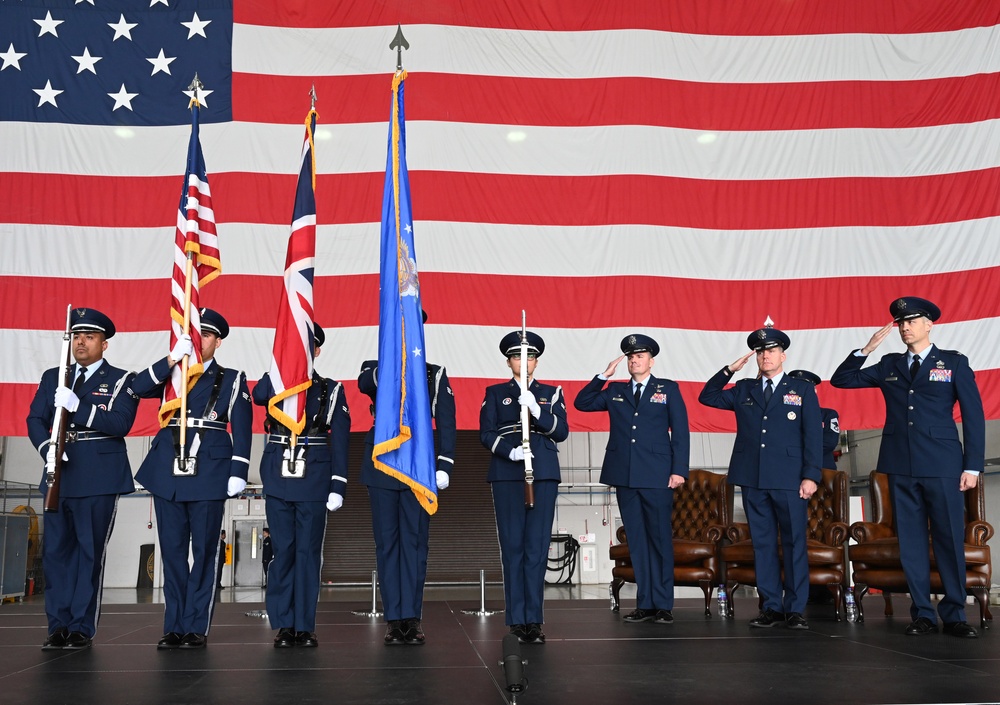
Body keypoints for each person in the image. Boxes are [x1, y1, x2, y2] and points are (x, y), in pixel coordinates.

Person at [830, 296, 984, 638]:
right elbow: (842, 379)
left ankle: (955, 613)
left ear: (929, 324)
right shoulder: (889, 365)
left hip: (943, 465)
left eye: (911, 321)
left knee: (948, 540)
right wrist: (866, 348)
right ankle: (923, 614)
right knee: (911, 543)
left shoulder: (954, 363)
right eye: (900, 323)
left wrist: (972, 465)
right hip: (900, 465)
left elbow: (973, 417)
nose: (904, 327)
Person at [133, 308, 252, 650]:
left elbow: (242, 431)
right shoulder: (172, 374)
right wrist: (170, 359)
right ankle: (174, 625)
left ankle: (196, 625)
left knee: (204, 553)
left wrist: (238, 470)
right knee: (171, 553)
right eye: (196, 335)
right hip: (168, 470)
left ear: (218, 341)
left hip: (209, 473)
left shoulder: (231, 379)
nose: (202, 342)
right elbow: (139, 388)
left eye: (208, 336)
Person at [27, 308, 140, 650]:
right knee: (57, 555)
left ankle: (80, 626)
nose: (81, 342)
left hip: (98, 477)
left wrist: (80, 407)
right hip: (59, 473)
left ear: (104, 345)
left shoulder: (122, 379)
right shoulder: (54, 376)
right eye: (77, 336)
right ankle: (57, 625)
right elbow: (35, 418)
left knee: (89, 554)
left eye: (90, 337)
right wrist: (47, 446)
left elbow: (121, 424)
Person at [699, 325, 821, 630]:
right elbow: (707, 396)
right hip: (753, 477)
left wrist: (811, 476)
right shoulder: (744, 390)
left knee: (794, 544)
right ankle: (770, 607)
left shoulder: (801, 389)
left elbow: (813, 437)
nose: (765, 356)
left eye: (771, 351)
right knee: (763, 544)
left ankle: (794, 609)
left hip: (791, 479)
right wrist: (729, 369)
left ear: (783, 355)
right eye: (760, 352)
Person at [574, 334, 689, 625]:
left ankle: (663, 604)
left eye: (639, 356)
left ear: (651, 361)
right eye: (630, 357)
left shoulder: (667, 390)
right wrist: (602, 376)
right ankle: (645, 604)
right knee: (637, 541)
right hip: (625, 475)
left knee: (660, 540)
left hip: (658, 475)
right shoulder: (615, 391)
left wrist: (679, 470)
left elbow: (682, 432)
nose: (633, 360)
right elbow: (582, 403)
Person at [358, 312, 456, 645]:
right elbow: (365, 384)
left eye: (409, 324)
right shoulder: (376, 367)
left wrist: (444, 463)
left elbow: (446, 420)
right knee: (387, 546)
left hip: (417, 466)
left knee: (414, 546)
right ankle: (393, 617)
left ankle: (411, 618)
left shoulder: (432, 372)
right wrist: (393, 358)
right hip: (383, 466)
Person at [252, 324, 350, 648]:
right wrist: (280, 363)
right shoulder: (276, 383)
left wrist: (338, 484)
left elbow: (341, 440)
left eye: (307, 347)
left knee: (308, 554)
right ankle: (284, 624)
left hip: (314, 477)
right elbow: (259, 395)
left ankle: (304, 625)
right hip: (279, 474)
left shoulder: (330, 390)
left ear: (317, 351)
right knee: (283, 552)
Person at [480, 331, 568, 644]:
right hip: (507, 472)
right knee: (513, 548)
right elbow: (486, 433)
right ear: (509, 361)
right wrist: (510, 451)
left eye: (529, 356)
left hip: (542, 472)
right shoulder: (494, 393)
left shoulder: (551, 392)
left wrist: (537, 410)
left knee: (537, 548)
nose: (524, 361)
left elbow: (561, 432)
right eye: (518, 356)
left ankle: (535, 619)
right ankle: (517, 620)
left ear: (536, 361)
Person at [787, 370, 841, 470]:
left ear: (814, 391)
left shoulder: (828, 415)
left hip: (821, 469)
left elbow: (829, 443)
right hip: (789, 469)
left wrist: (793, 451)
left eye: (805, 388)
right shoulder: (783, 414)